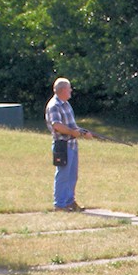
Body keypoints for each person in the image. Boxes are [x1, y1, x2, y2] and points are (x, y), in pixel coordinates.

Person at [45, 77, 93, 212]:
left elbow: (72, 125)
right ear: (63, 90)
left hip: (72, 144)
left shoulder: (66, 104)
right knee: (63, 174)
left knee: (72, 175)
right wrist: (73, 132)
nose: (71, 90)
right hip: (62, 145)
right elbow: (57, 125)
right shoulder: (54, 105)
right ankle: (59, 204)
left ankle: (69, 202)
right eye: (69, 88)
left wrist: (83, 132)